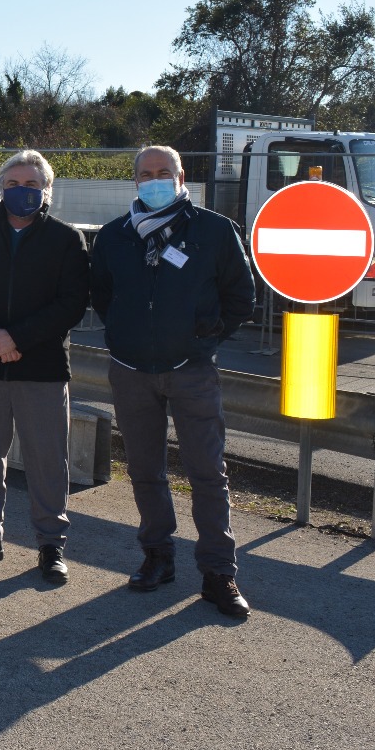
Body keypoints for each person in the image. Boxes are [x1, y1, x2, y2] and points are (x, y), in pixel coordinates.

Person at [89, 145, 257, 618]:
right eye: (147, 174)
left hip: (192, 372)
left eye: (165, 172)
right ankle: (157, 557)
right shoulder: (115, 236)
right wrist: (126, 333)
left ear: (182, 176)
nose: (156, 179)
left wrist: (205, 339)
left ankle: (219, 574)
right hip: (130, 370)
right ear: (135, 181)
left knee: (207, 474)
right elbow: (103, 295)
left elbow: (242, 297)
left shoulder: (214, 230)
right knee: (144, 471)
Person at [0, 150, 90, 583]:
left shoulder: (65, 239)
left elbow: (71, 303)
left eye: (31, 185)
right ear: (0, 190)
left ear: (47, 191)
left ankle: (50, 545)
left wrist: (18, 338)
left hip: (40, 368)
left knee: (48, 460)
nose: (20, 192)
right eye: (12, 184)